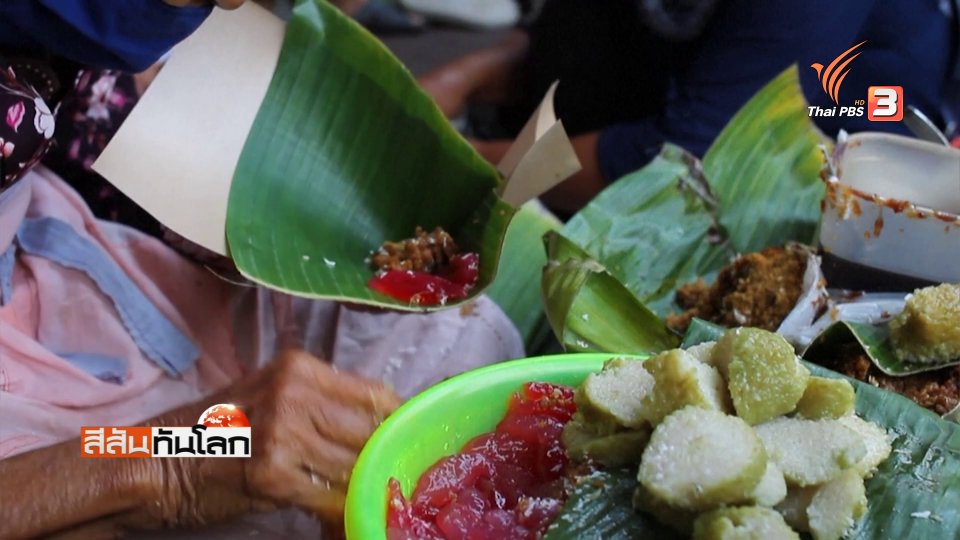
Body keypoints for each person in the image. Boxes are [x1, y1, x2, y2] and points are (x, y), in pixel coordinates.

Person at [0, 1, 523, 538]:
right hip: (61, 451)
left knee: (454, 349)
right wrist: (171, 458)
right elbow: (138, 454)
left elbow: (99, 109)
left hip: (65, 273)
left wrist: (273, 233)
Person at [420, 0, 959, 215]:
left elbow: (690, 153)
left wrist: (468, 161)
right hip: (661, 107)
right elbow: (574, 31)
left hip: (805, 190)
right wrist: (461, 78)